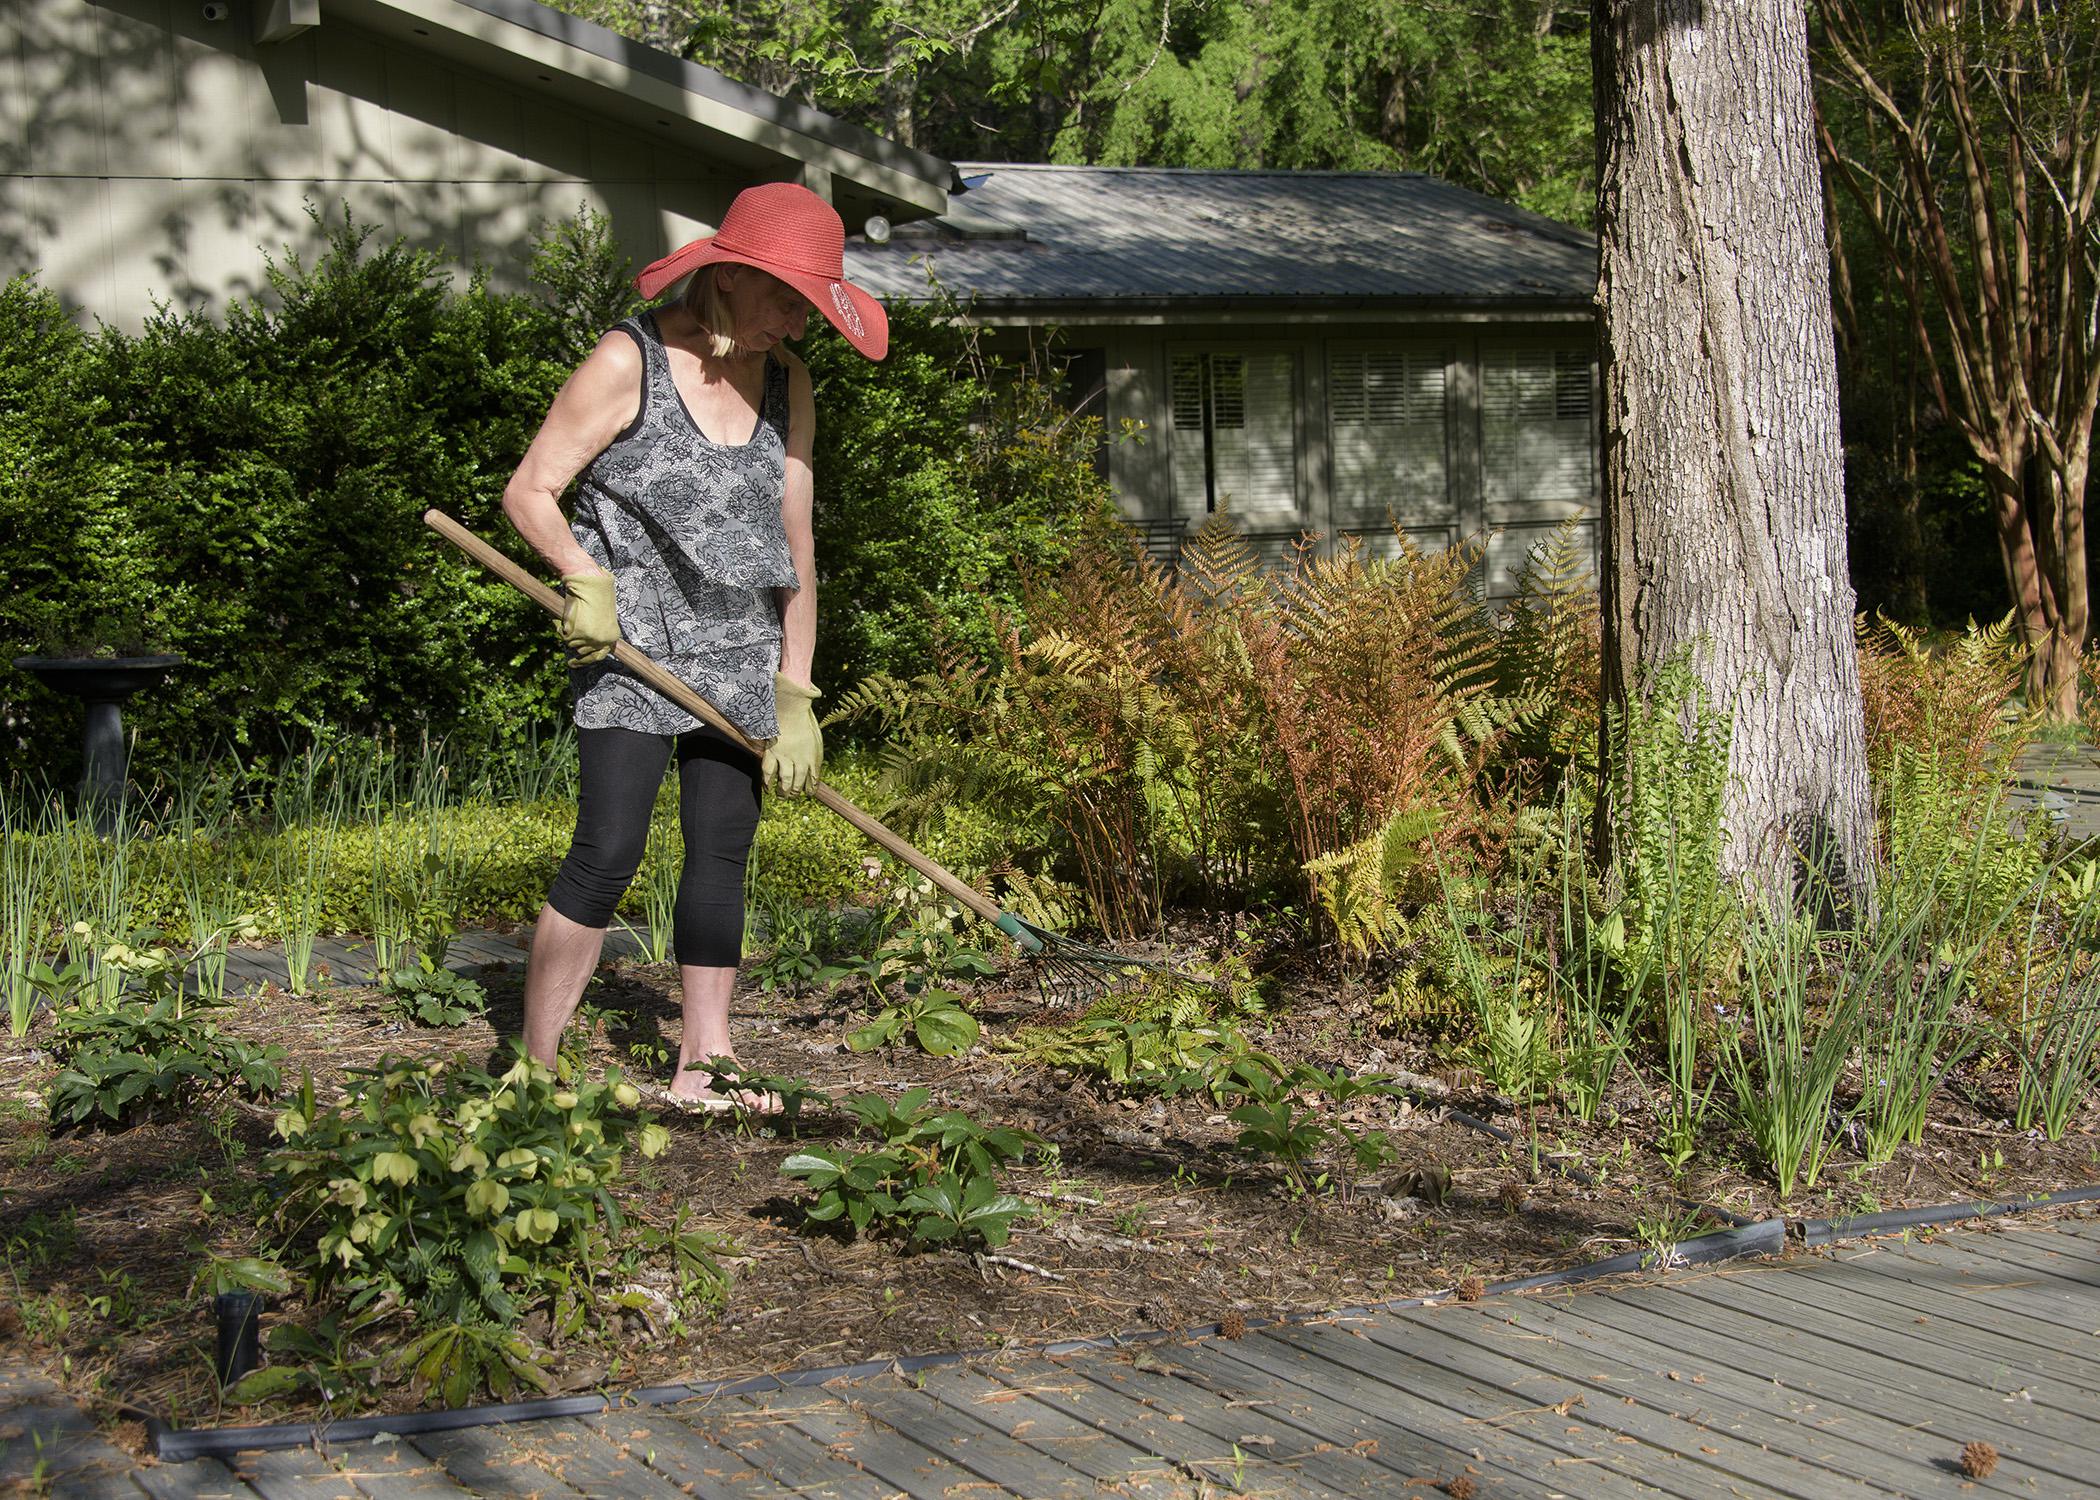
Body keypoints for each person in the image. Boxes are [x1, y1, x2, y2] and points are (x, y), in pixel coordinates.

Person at [501, 182, 889, 1109]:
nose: (797, 320)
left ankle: (704, 1065)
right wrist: (582, 577)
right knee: (608, 849)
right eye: (787, 296)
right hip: (634, 649)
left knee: (721, 853)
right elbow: (529, 490)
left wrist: (795, 690)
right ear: (730, 276)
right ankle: (535, 1069)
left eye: (809, 302)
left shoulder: (790, 380)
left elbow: (796, 544)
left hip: (738, 660)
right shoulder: (626, 358)